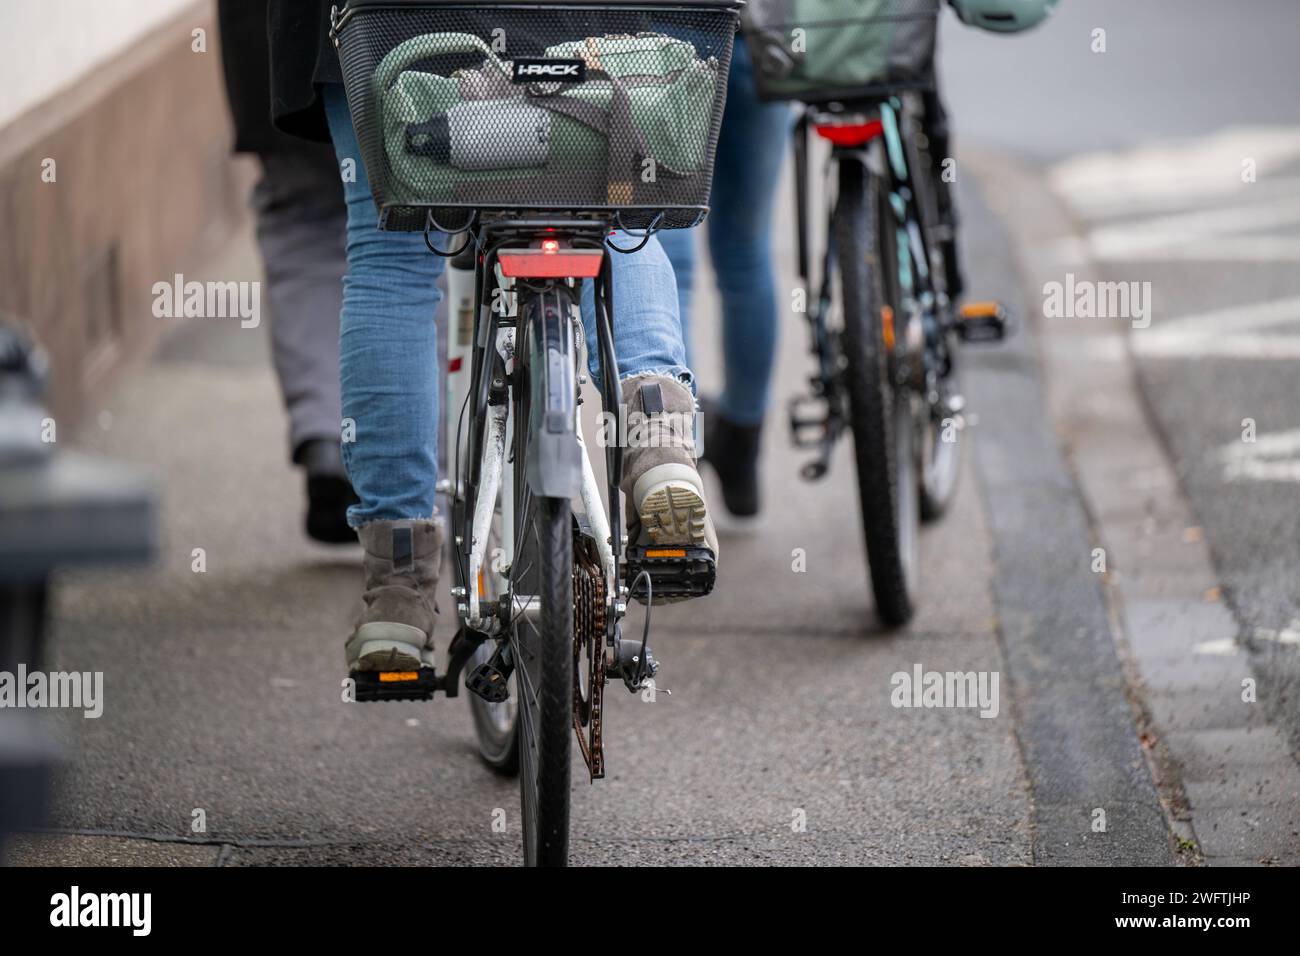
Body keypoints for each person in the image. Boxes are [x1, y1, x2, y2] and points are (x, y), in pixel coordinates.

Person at [265, 2, 718, 676]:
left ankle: (398, 589)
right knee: (616, 201)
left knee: (390, 257)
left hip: (390, 22)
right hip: (571, 19)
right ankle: (659, 439)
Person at [216, 0, 357, 544]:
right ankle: (399, 473)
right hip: (396, 38)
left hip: (279, 36)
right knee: (407, 244)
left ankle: (324, 433)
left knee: (303, 220)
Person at [656, 34, 792, 523]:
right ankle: (742, 448)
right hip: (763, 38)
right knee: (746, 255)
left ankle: (675, 466)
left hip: (670, 43)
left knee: (671, 257)